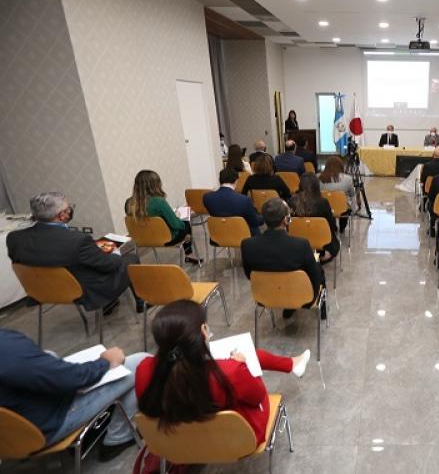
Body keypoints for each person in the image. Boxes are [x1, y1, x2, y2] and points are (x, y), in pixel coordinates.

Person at [135, 300, 310, 445]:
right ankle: (291, 364)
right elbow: (257, 397)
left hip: (175, 442)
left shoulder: (143, 369)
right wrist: (244, 367)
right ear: (203, 331)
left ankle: (292, 364)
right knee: (249, 359)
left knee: (249, 357)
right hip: (237, 439)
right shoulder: (231, 372)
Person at [0, 328, 148, 462]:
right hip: (47, 424)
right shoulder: (7, 346)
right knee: (142, 362)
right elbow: (69, 378)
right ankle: (117, 439)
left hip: (9, 437)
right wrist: (104, 362)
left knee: (49, 355)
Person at [8, 192, 145, 313]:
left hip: (43, 290)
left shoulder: (14, 238)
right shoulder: (77, 240)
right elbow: (109, 265)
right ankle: (140, 302)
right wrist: (115, 253)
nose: (70, 209)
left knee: (90, 263)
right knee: (130, 259)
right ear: (62, 215)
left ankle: (111, 304)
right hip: (82, 290)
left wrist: (91, 251)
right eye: (69, 208)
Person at [242, 198, 327, 319]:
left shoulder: (247, 245)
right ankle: (319, 306)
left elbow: (249, 274)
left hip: (265, 296)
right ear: (285, 220)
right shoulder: (301, 245)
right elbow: (314, 276)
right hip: (302, 297)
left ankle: (290, 307)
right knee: (318, 268)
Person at [125, 170, 201, 264]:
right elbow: (176, 225)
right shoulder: (159, 202)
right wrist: (178, 219)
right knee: (185, 223)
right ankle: (189, 254)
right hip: (166, 239)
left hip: (141, 239)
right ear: (154, 185)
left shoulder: (128, 203)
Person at [290, 173, 340, 263]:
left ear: (300, 185)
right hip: (321, 247)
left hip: (297, 246)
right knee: (331, 243)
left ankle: (307, 259)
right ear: (317, 186)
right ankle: (314, 259)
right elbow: (331, 225)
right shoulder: (323, 203)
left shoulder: (292, 201)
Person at [203, 168, 263, 237]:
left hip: (218, 236)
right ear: (236, 181)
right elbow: (255, 222)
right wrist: (264, 217)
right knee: (254, 228)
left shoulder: (207, 198)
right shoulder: (244, 200)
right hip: (242, 235)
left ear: (220, 180)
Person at [318, 156, 354, 233]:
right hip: (342, 208)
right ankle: (342, 227)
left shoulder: (318, 177)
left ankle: (331, 225)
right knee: (345, 205)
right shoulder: (348, 178)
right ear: (341, 166)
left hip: (324, 207)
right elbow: (352, 194)